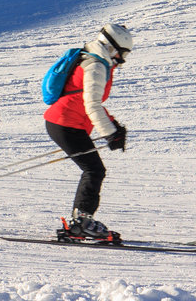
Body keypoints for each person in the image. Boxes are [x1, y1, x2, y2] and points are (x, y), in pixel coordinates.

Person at [44, 21, 133, 243]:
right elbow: (91, 105)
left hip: (65, 122)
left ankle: (81, 222)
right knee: (94, 170)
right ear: (112, 47)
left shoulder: (93, 60)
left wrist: (114, 126)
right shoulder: (95, 66)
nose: (122, 60)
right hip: (66, 124)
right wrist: (109, 133)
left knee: (94, 170)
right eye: (122, 54)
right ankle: (81, 224)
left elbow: (88, 100)